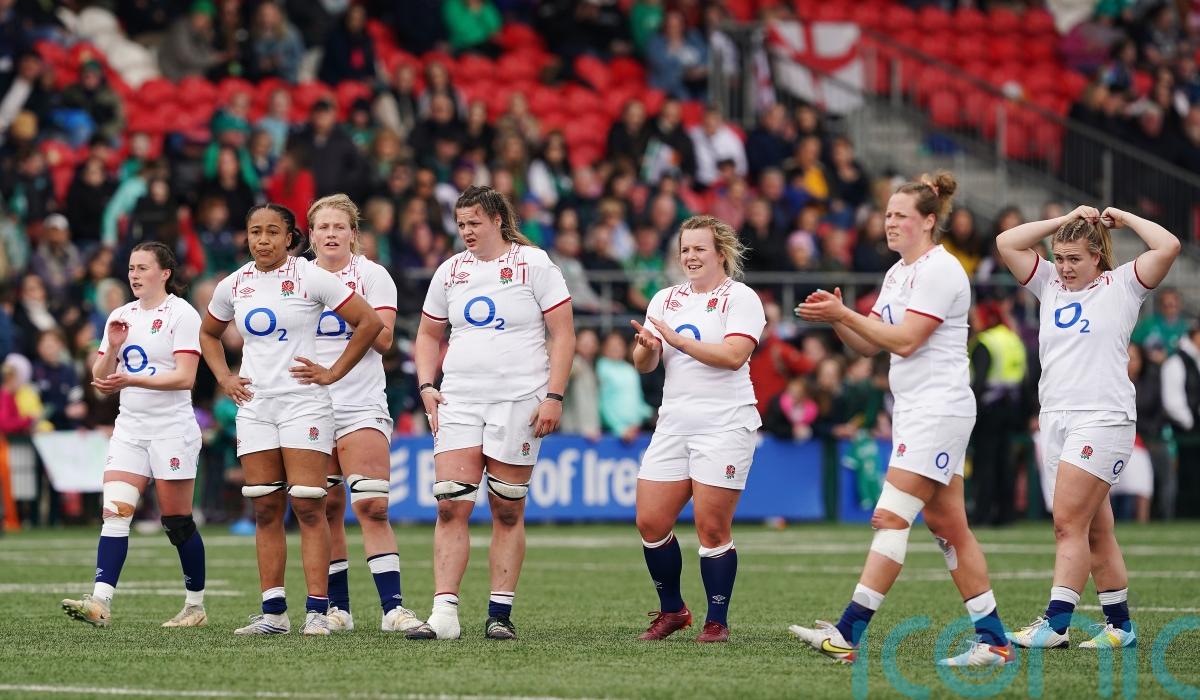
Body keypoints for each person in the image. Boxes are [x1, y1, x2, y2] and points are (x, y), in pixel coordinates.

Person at [790, 173, 1015, 667]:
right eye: (887, 214)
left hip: (938, 409)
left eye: (901, 216)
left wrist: (846, 315)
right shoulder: (897, 272)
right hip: (918, 410)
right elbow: (869, 344)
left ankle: (847, 634)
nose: (889, 222)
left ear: (929, 221)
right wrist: (839, 318)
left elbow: (908, 340)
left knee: (890, 517)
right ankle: (994, 642)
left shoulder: (941, 270)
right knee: (950, 528)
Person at [996, 205, 1179, 649]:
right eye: (1059, 257)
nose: (1064, 267)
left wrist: (1127, 219)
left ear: (1097, 256)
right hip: (1056, 418)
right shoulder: (1049, 283)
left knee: (1067, 523)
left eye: (1075, 258)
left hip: (1102, 417)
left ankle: (1056, 624)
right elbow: (1006, 242)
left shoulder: (1123, 285)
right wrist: (1060, 224)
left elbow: (1169, 245)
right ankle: (1120, 627)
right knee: (1095, 530)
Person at [199, 203, 383, 636]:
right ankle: (273, 614)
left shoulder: (310, 276)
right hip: (256, 406)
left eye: (272, 232)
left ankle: (317, 612)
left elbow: (369, 322)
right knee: (265, 506)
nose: (262, 240)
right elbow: (207, 333)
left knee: (308, 504)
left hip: (304, 404)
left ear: (290, 238)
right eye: (255, 232)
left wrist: (332, 373)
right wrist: (225, 377)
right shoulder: (234, 283)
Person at [414, 185, 574, 640]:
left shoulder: (534, 264)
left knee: (506, 508)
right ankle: (443, 615)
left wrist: (554, 396)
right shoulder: (450, 271)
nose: (466, 231)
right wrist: (427, 386)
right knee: (450, 504)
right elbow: (427, 334)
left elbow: (563, 334)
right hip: (460, 399)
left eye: (474, 222)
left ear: (498, 220)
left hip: (518, 400)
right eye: (460, 223)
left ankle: (499, 614)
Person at [627, 215, 764, 643]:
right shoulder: (664, 299)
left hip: (725, 423)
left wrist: (678, 342)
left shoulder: (740, 297)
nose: (690, 256)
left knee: (712, 528)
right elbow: (644, 363)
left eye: (699, 249)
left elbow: (734, 356)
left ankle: (716, 622)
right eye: (685, 249)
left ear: (720, 253)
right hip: (674, 422)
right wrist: (647, 349)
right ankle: (674, 611)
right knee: (650, 521)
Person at [306, 194, 434, 637]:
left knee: (373, 506)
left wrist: (343, 300)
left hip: (360, 404)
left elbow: (383, 340)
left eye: (339, 227)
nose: (331, 234)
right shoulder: (295, 278)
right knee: (324, 508)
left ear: (353, 234)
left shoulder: (373, 276)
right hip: (308, 407)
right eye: (323, 227)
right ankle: (337, 609)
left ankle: (393, 608)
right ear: (311, 235)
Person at [61, 242, 207, 628]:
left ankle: (195, 606)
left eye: (143, 268)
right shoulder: (120, 315)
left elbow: (185, 377)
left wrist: (132, 379)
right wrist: (113, 347)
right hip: (130, 428)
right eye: (131, 268)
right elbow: (99, 379)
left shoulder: (182, 314)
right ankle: (100, 602)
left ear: (165, 273)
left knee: (176, 522)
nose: (135, 275)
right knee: (115, 512)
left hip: (172, 429)